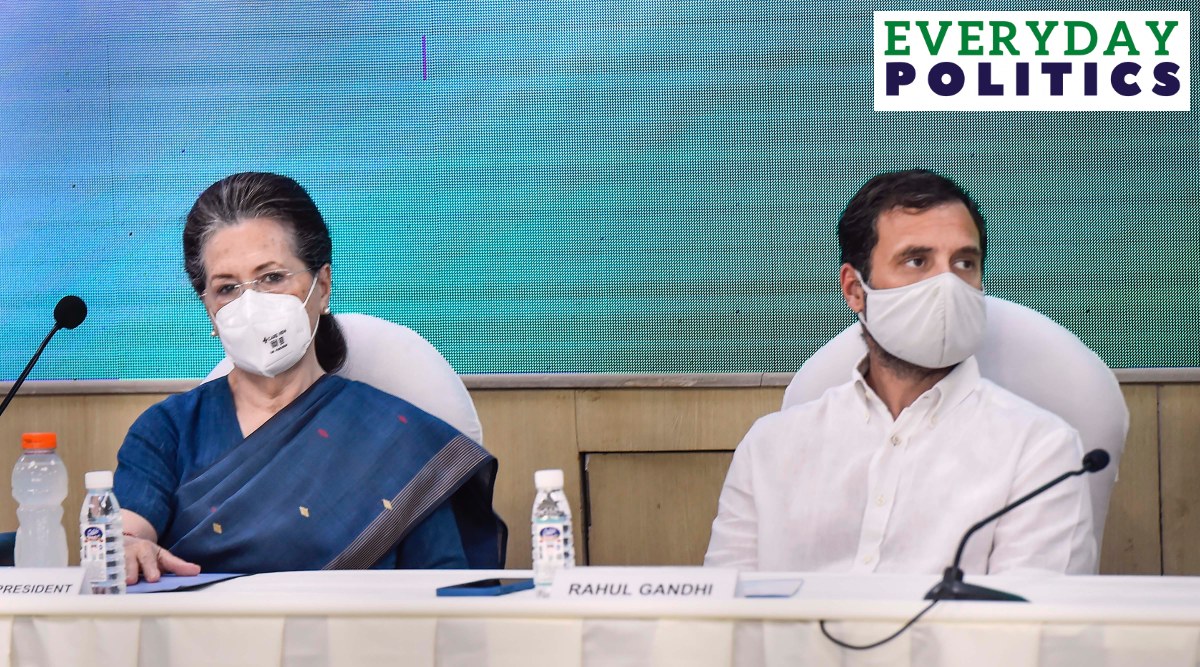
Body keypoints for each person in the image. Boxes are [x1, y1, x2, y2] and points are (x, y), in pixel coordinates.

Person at [115, 172, 506, 583]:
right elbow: (124, 535)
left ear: (322, 286)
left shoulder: (401, 444)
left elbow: (448, 596)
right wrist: (125, 547)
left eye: (272, 278)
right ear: (209, 310)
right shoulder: (169, 431)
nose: (251, 304)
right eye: (228, 288)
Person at [705, 169, 1096, 574]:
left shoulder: (1041, 451)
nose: (947, 284)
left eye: (964, 262)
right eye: (916, 261)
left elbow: (1031, 628)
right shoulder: (770, 448)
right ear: (855, 290)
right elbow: (721, 616)